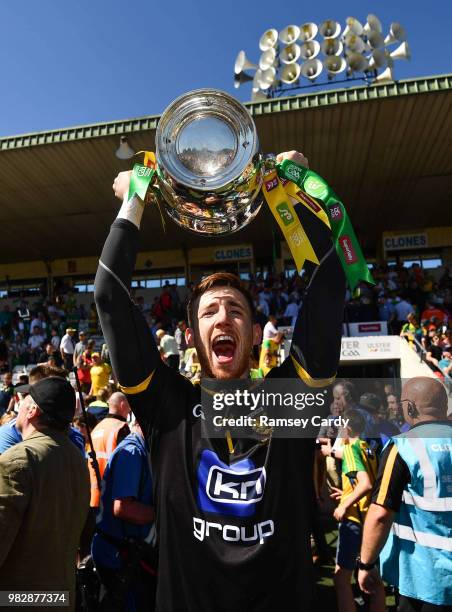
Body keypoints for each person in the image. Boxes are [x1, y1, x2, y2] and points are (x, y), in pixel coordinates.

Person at [94, 150, 346, 611]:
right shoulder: (165, 405)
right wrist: (134, 200)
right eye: (209, 311)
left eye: (236, 311)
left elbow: (329, 283)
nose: (223, 317)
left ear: (253, 334)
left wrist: (292, 187)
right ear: (191, 337)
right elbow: (109, 293)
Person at [358, 377, 452, 611]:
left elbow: (380, 513)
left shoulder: (403, 447)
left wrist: (366, 564)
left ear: (409, 407)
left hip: (425, 579)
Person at [0, 377, 90, 608]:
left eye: (23, 402)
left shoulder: (19, 459)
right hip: (60, 597)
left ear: (32, 411)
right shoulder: (76, 459)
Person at [321, 409, 383, 612]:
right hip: (369, 518)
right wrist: (346, 492)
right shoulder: (367, 447)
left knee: (341, 578)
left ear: (346, 428)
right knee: (371, 575)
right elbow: (368, 481)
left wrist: (344, 505)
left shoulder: (349, 449)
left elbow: (364, 484)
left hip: (354, 519)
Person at [92, 421, 156, 610]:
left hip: (126, 554)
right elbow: (123, 508)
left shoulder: (141, 448)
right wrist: (164, 514)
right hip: (118, 556)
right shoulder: (132, 452)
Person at [88, 391, 130, 508]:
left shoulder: (97, 428)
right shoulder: (121, 428)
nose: (130, 410)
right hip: (111, 498)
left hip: (94, 496)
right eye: (129, 405)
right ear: (122, 405)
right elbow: (126, 465)